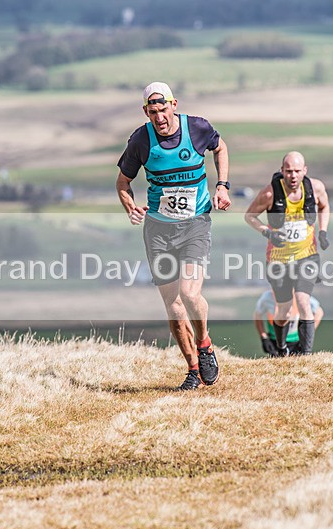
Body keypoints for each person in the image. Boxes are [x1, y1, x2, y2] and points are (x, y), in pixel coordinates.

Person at [116, 82, 231, 391]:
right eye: (152, 112)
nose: (160, 117)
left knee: (191, 295)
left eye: (163, 110)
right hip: (158, 230)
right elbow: (123, 182)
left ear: (174, 105)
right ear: (146, 112)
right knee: (174, 304)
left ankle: (204, 345)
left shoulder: (197, 128)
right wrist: (130, 207)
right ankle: (193, 369)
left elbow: (220, 147)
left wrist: (223, 185)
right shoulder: (141, 140)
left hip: (195, 223)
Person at [244, 151, 330, 356]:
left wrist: (323, 231)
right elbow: (249, 216)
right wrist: (267, 232)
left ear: (305, 171)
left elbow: (324, 206)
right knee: (283, 311)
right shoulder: (269, 194)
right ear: (282, 171)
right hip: (278, 260)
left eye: (297, 171)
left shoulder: (315, 188)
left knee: (303, 302)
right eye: (289, 171)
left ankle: (306, 356)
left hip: (307, 255)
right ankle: (282, 349)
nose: (293, 176)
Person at [254, 289, 324, 357]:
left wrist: (307, 334)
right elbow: (257, 315)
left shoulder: (300, 296)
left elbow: (319, 312)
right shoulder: (267, 298)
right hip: (275, 341)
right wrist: (264, 337)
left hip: (296, 341)